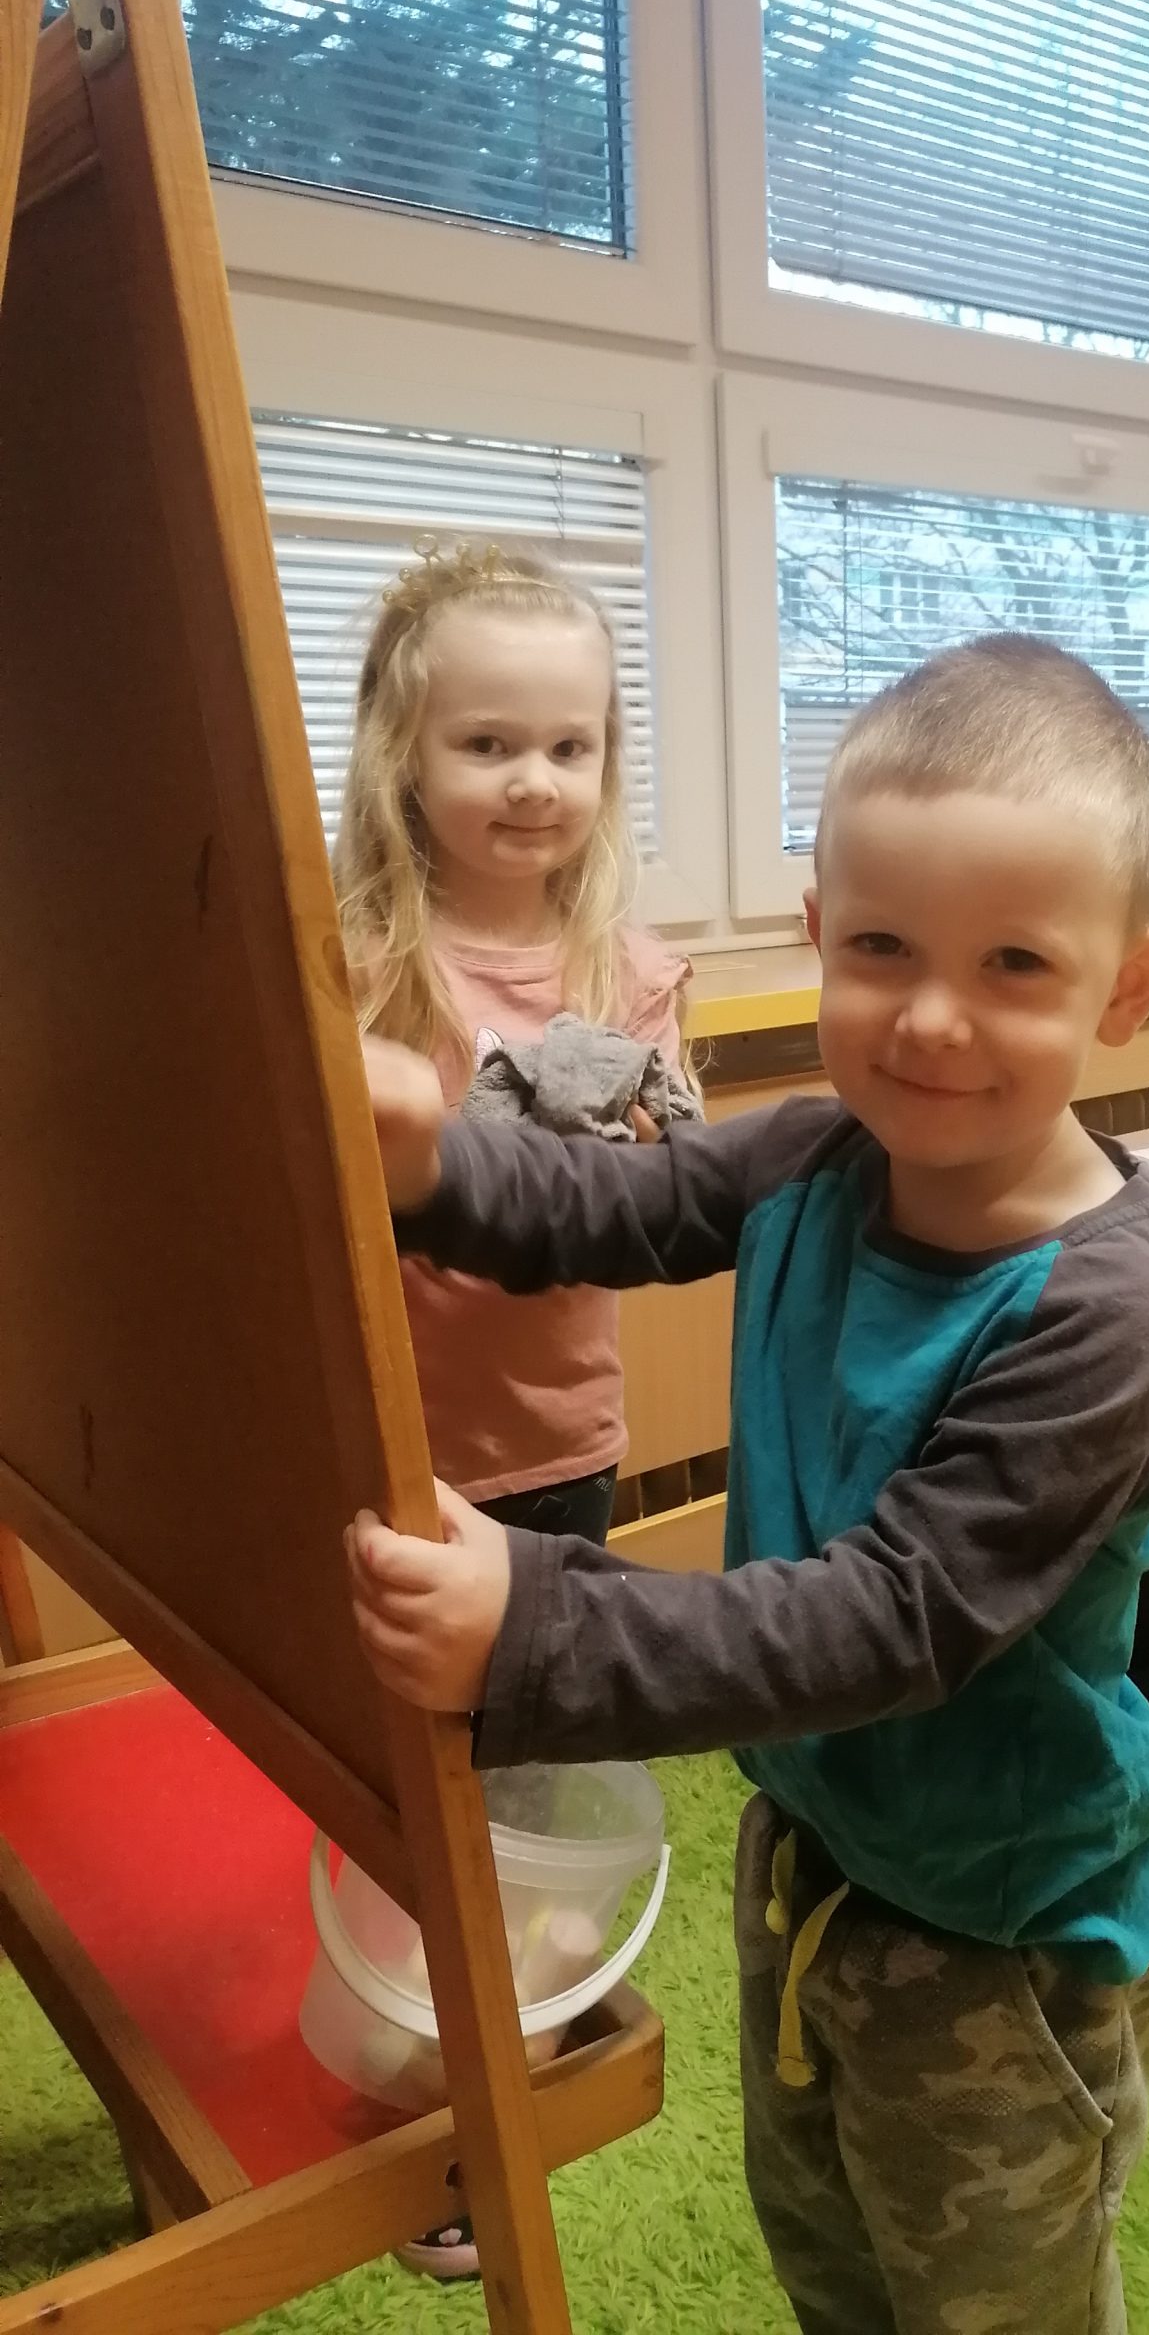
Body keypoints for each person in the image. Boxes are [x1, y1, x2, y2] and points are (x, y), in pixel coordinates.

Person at [346, 633, 1149, 2335]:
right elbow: (611, 1204)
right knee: (829, 2250)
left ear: (1129, 985)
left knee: (991, 2306)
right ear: (819, 931)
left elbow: (886, 1619)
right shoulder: (818, 1153)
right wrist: (430, 1154)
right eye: (881, 947)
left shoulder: (1102, 1311)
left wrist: (537, 1623)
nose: (932, 1017)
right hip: (814, 1850)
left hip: (1005, 1925)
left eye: (1015, 963)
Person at [334, 537, 696, 2280]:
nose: (535, 780)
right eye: (488, 743)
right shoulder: (357, 962)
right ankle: (439, 2056)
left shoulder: (631, 972)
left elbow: (676, 1193)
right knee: (409, 1780)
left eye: (571, 744)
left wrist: (633, 1144)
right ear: (405, 753)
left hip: (556, 1448)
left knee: (533, 1777)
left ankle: (500, 2072)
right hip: (394, 1440)